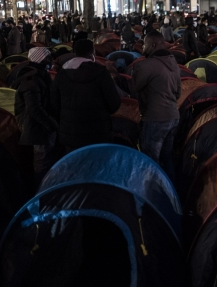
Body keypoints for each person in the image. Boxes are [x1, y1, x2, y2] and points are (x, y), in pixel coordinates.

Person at [51, 39, 121, 153]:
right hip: (98, 133)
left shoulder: (62, 74)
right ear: (92, 53)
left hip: (70, 133)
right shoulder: (101, 73)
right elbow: (114, 104)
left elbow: (54, 104)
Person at [132, 31, 181, 180]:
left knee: (150, 161)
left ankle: (151, 195)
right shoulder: (174, 64)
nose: (143, 47)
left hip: (155, 118)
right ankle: (171, 192)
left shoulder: (147, 65)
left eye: (145, 44)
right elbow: (178, 93)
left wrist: (115, 76)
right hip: (173, 116)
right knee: (167, 159)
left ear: (153, 45)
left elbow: (133, 87)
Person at [13, 47, 58, 186]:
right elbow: (34, 108)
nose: (51, 60)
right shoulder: (31, 79)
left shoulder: (39, 75)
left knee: (45, 161)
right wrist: (51, 124)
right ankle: (40, 194)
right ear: (40, 59)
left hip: (41, 126)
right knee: (42, 163)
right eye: (48, 57)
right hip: (38, 128)